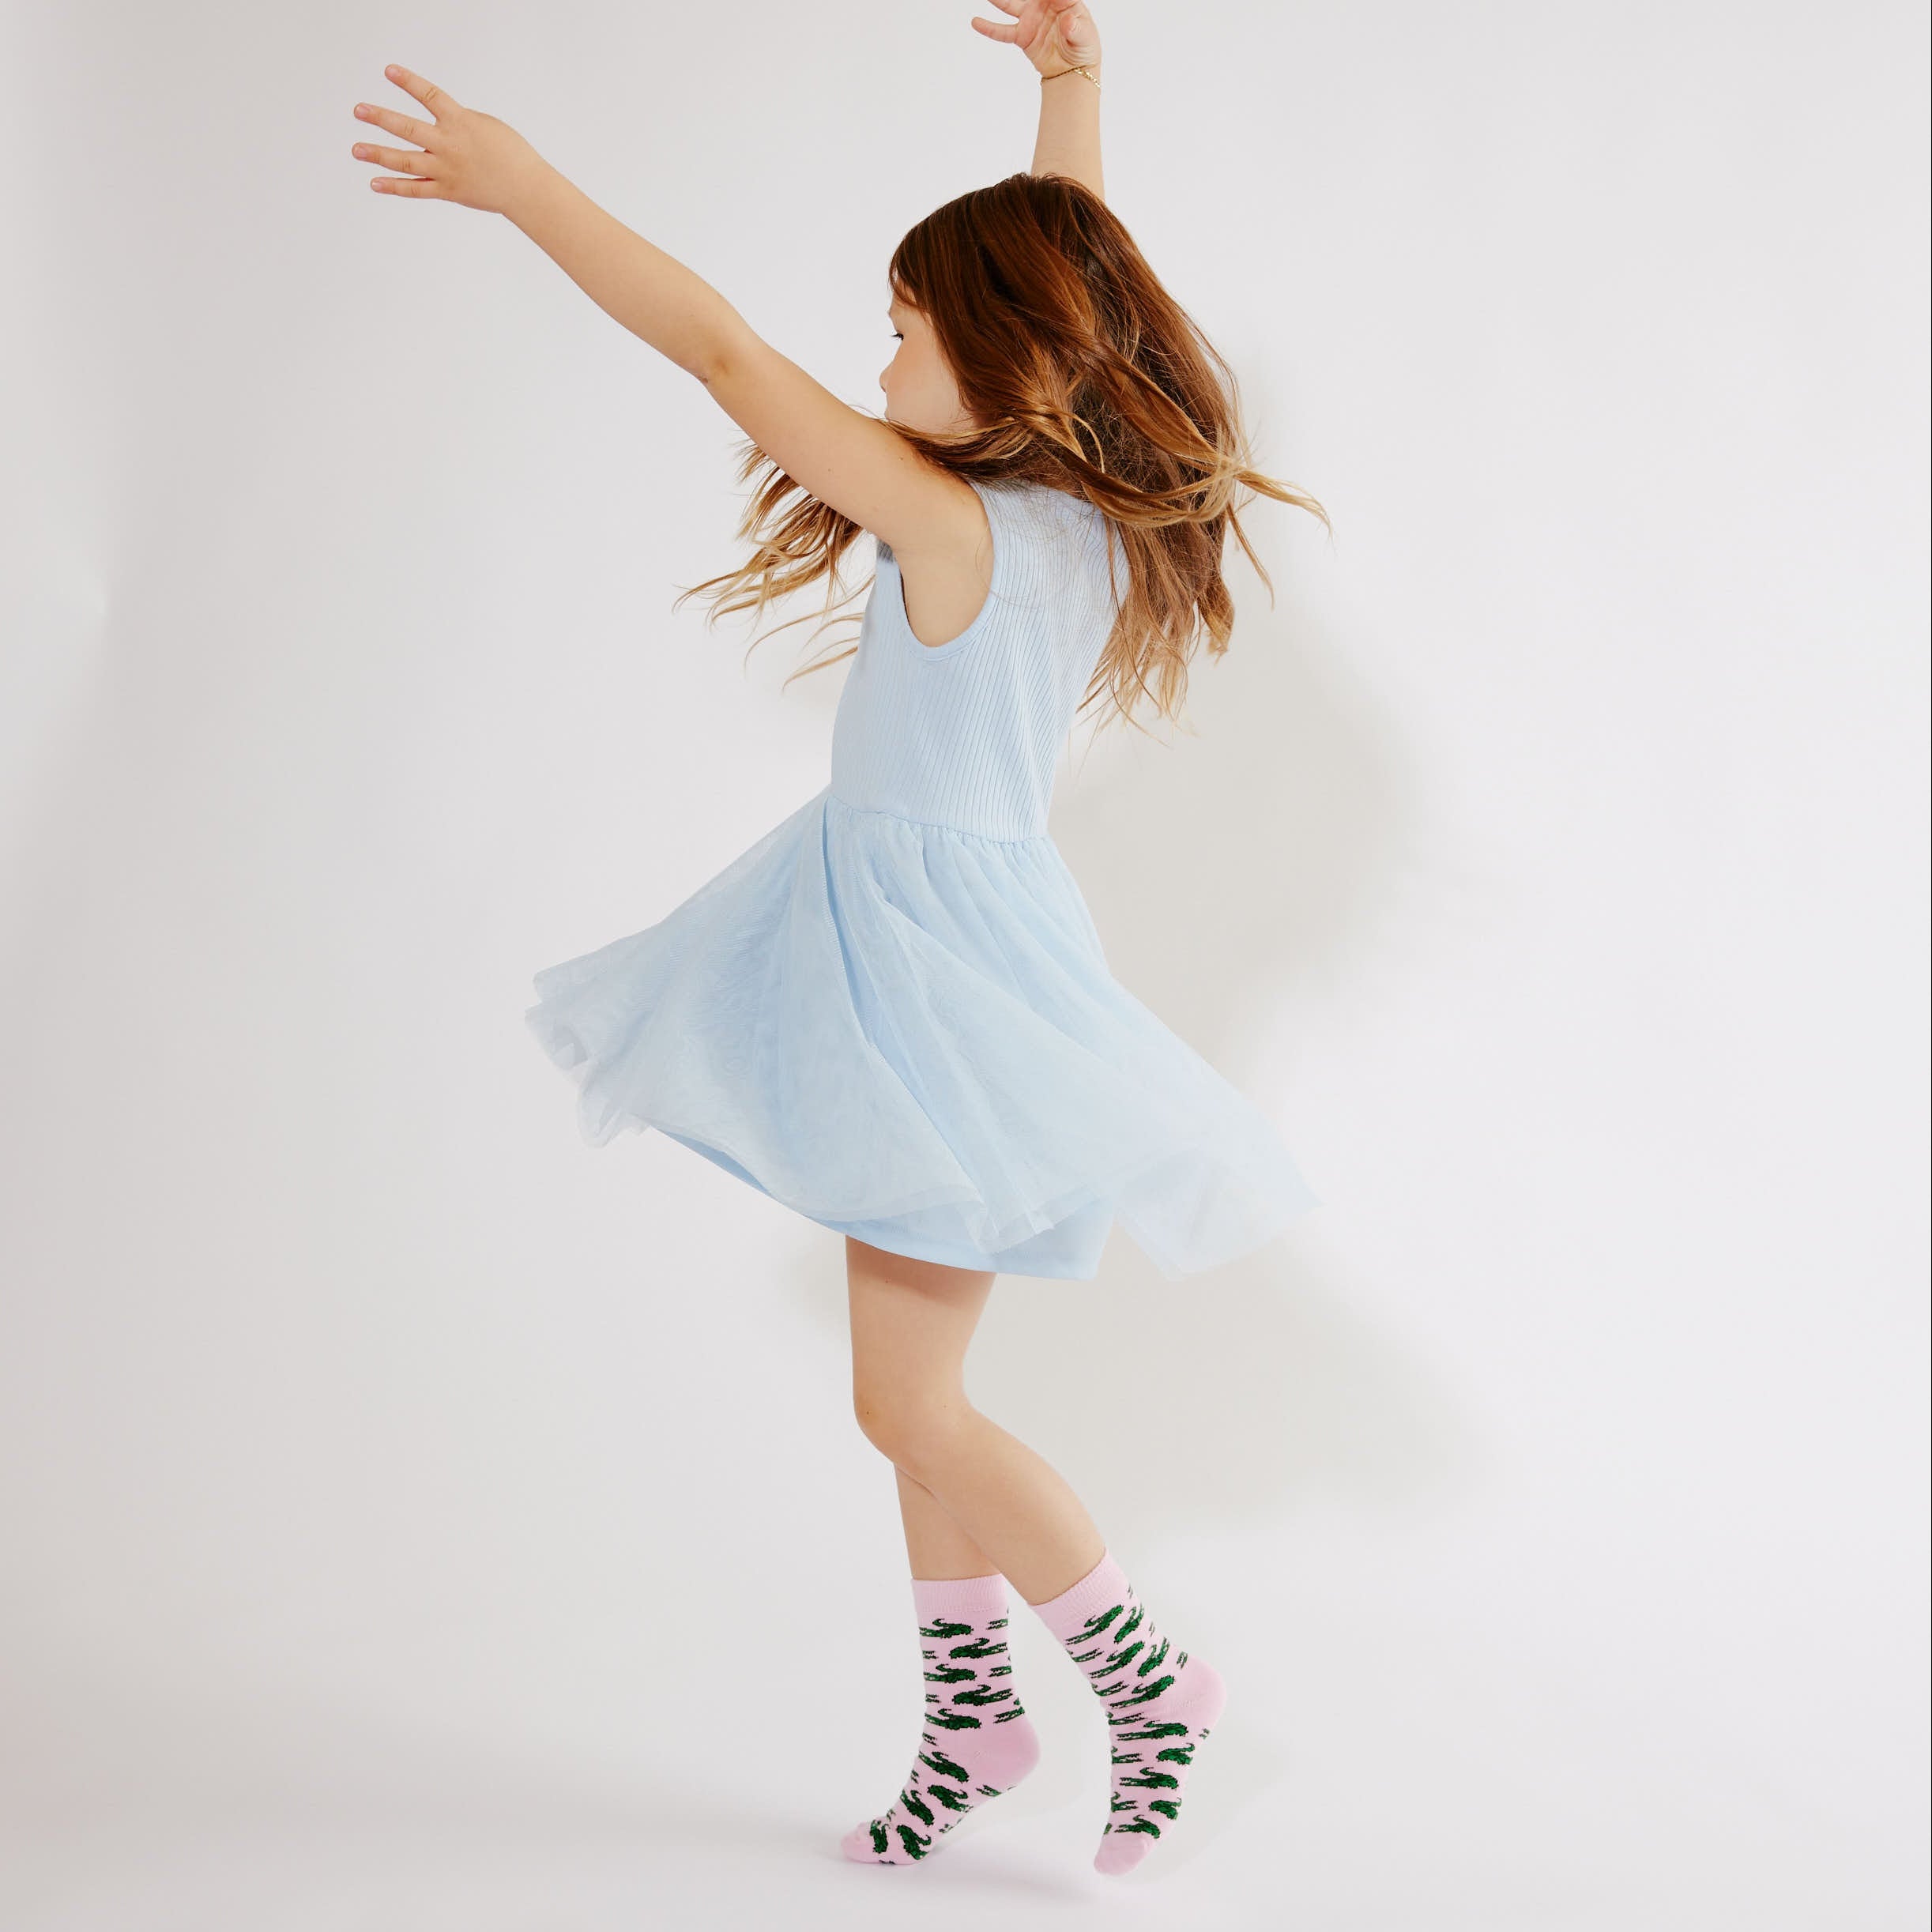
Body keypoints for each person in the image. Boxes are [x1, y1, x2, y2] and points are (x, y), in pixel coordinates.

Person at [350, 0, 1323, 1876]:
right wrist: (1068, 91)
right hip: (921, 960)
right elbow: (1063, 268)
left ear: (1001, 353)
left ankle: (1149, 1680)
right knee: (912, 1402)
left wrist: (523, 185)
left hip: (931, 980)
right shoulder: (1063, 513)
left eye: (900, 323)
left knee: (906, 1399)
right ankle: (973, 1718)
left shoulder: (951, 524)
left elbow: (723, 350)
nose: (876, 356)